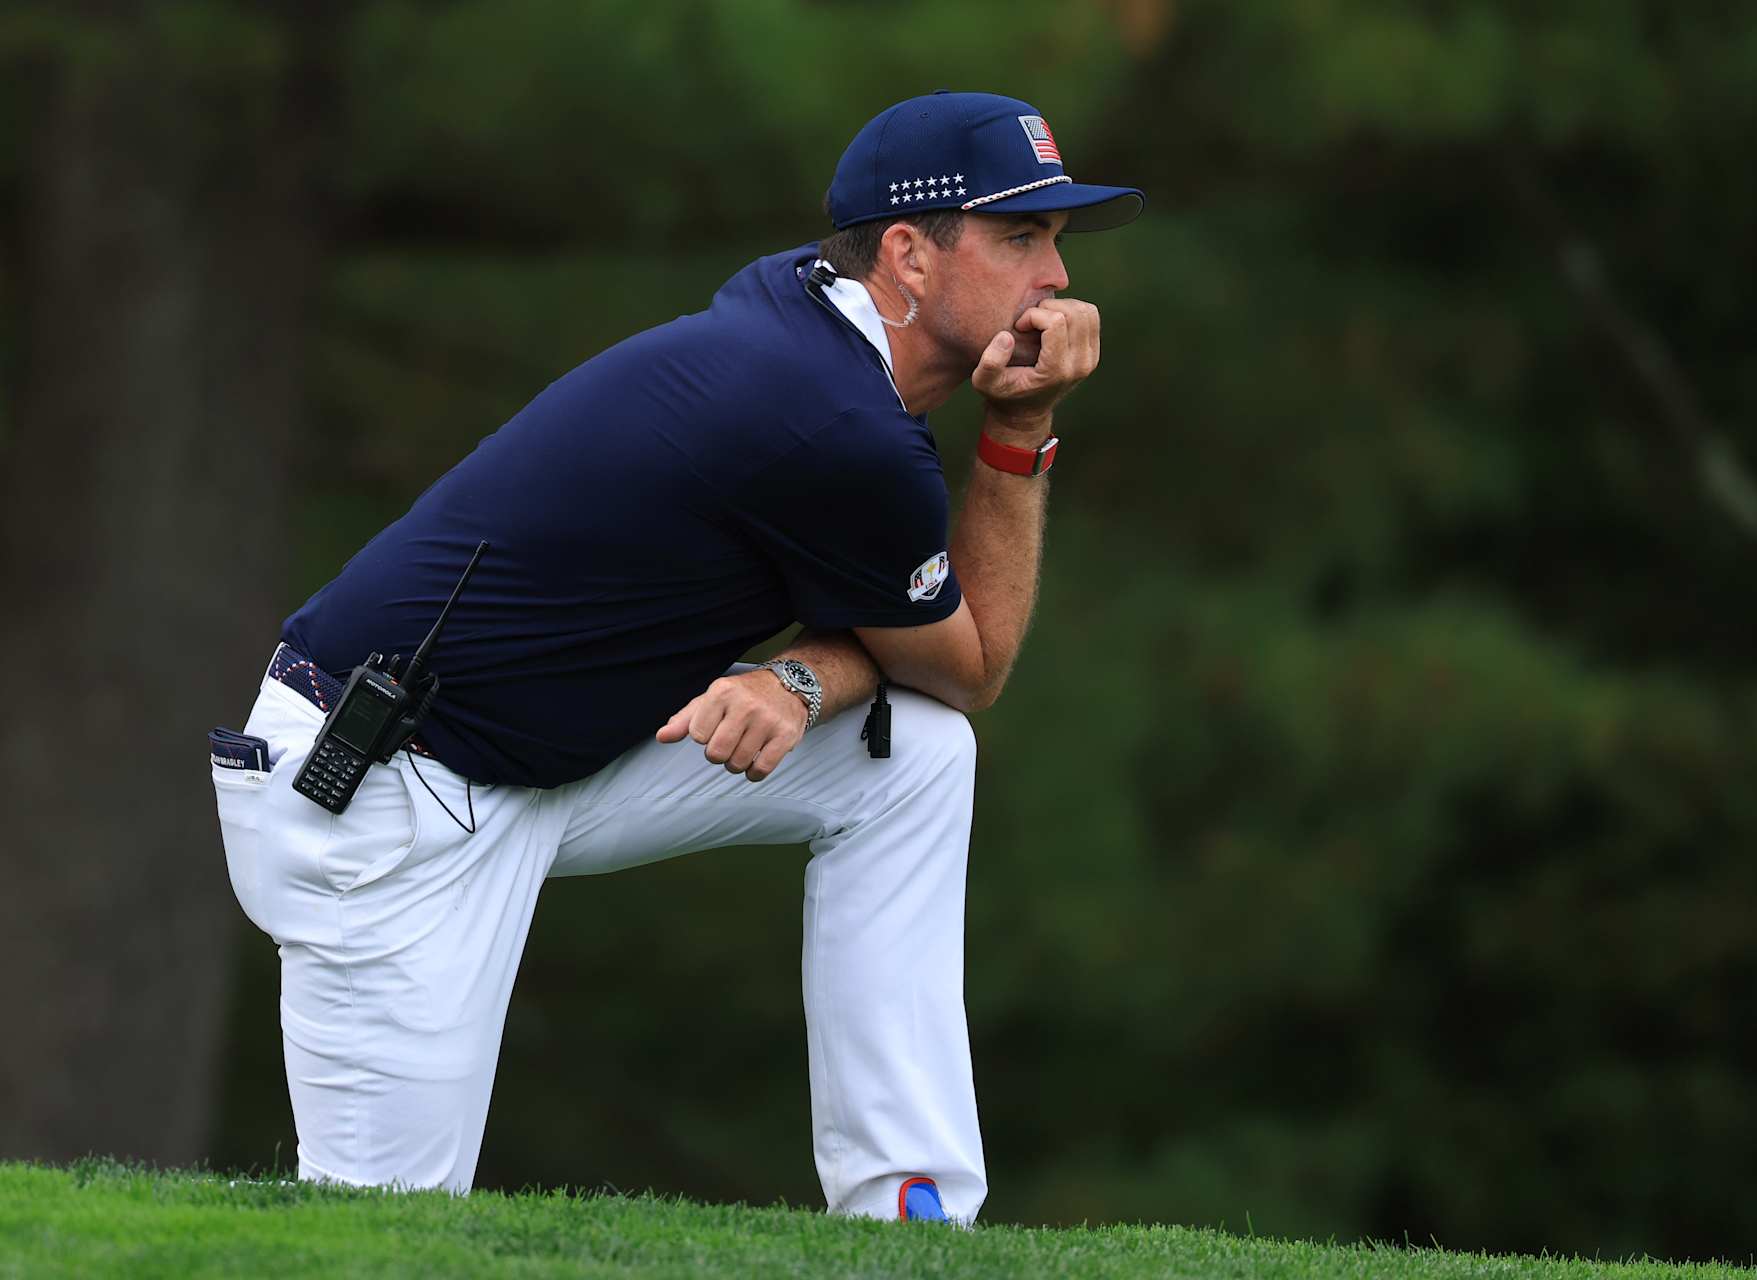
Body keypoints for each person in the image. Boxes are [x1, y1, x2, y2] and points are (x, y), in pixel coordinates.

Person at [208, 90, 1143, 1225]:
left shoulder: (798, 311)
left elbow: (926, 676)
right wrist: (1023, 430)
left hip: (536, 762)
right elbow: (975, 659)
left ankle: (910, 1209)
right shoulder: (833, 422)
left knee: (915, 755)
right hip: (382, 790)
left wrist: (797, 679)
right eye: (1020, 237)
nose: (1054, 276)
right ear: (906, 255)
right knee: (377, 1235)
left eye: (1054, 239)